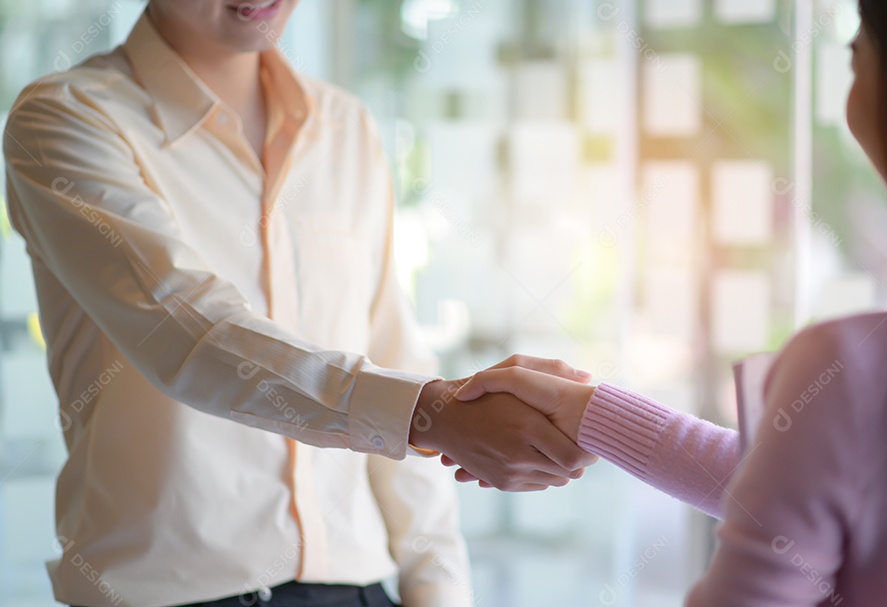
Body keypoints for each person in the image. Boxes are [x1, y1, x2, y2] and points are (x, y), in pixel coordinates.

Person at [453, 0, 887, 605]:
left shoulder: (854, 369)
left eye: (856, 53)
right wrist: (594, 413)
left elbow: (823, 473)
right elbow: (808, 482)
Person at [2, 1, 596, 606]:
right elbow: (190, 333)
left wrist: (438, 586)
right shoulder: (66, 119)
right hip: (170, 596)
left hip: (359, 588)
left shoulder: (346, 127)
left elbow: (392, 349)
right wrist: (429, 413)